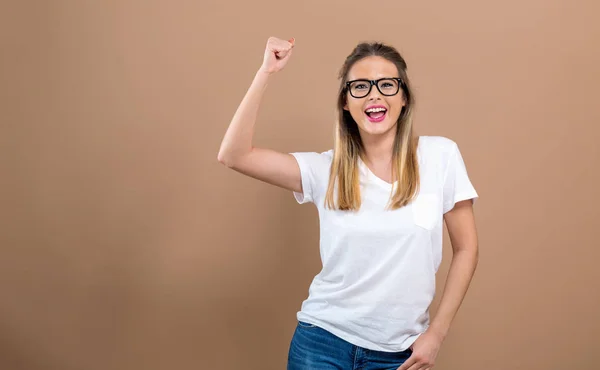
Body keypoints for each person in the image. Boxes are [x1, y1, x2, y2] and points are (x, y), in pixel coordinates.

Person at [217, 36, 480, 370]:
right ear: (345, 102)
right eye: (360, 86)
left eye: (387, 84)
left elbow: (467, 249)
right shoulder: (324, 169)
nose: (374, 94)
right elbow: (233, 155)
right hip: (321, 343)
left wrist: (437, 334)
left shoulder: (440, 156)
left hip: (400, 354)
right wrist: (266, 71)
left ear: (404, 99)